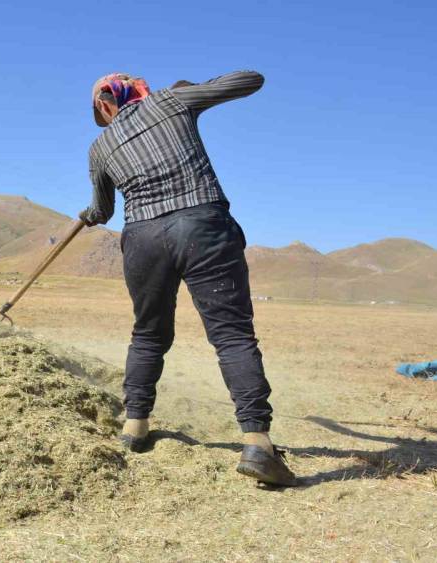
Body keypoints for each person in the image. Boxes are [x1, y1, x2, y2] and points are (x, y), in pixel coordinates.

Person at [79, 70, 296, 486]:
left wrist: (89, 214)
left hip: (142, 238)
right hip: (200, 224)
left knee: (147, 334)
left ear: (105, 106)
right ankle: (257, 444)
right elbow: (252, 79)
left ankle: (134, 428)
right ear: (138, 90)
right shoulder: (170, 103)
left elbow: (102, 211)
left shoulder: (100, 147)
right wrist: (190, 89)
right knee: (231, 335)